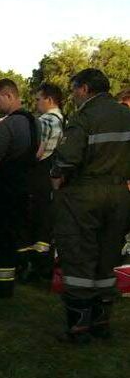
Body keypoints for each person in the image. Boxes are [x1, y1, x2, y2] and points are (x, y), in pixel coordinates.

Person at [50, 68, 130, 342]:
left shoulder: (84, 117)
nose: (72, 95)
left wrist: (56, 176)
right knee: (108, 256)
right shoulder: (126, 115)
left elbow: (68, 159)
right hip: (120, 194)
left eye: (74, 89)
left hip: (85, 194)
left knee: (79, 254)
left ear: (84, 88)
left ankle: (79, 327)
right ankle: (102, 322)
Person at [0, 79, 40, 299]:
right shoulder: (35, 122)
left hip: (2, 191)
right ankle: (6, 286)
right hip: (24, 188)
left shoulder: (6, 126)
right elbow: (38, 154)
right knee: (12, 237)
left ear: (9, 96)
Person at [19, 82, 67, 282]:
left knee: (30, 223)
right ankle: (44, 270)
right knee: (46, 228)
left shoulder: (46, 120)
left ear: (49, 99)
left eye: (38, 99)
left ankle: (26, 269)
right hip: (52, 178)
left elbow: (38, 152)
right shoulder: (64, 120)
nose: (36, 103)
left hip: (37, 177)